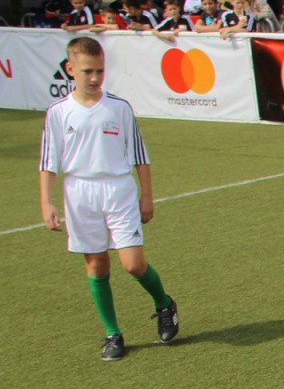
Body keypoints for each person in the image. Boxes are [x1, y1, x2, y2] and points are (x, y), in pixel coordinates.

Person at [38, 37, 179, 361]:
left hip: (118, 190)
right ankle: (112, 333)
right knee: (96, 264)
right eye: (87, 71)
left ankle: (164, 304)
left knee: (133, 264)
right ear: (70, 69)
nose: (94, 78)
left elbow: (140, 156)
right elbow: (48, 162)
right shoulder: (58, 113)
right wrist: (47, 203)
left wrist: (146, 195)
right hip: (79, 193)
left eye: (100, 71)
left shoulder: (119, 108)